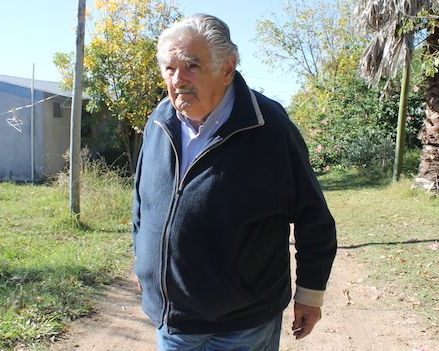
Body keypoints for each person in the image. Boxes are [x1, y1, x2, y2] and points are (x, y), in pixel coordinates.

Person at [132, 13, 337, 351]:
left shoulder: (268, 126)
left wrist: (310, 295)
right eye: (169, 69)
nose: (178, 80)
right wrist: (144, 266)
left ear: (227, 68)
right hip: (175, 320)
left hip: (243, 323)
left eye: (192, 66)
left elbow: (313, 218)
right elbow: (143, 200)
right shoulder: (160, 120)